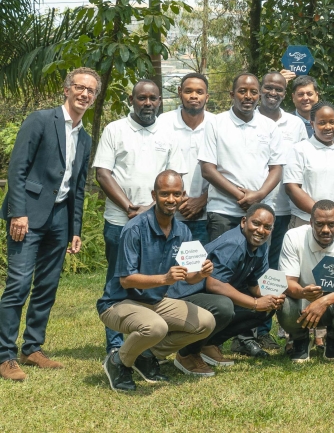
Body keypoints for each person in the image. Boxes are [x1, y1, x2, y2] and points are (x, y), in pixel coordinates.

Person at [0, 68, 98, 382]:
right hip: (27, 215)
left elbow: (79, 187)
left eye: (91, 91)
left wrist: (75, 229)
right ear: (66, 90)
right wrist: (18, 212)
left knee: (47, 287)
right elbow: (18, 168)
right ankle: (5, 355)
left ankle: (32, 348)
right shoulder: (40, 120)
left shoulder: (85, 137)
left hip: (59, 219)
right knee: (17, 286)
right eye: (80, 87)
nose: (85, 94)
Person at [97, 171, 216, 391]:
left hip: (155, 302)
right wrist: (164, 278)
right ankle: (118, 362)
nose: (171, 199)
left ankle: (146, 355)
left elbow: (188, 276)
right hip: (118, 303)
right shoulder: (134, 228)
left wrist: (200, 273)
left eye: (176, 194)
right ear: (154, 195)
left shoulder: (182, 231)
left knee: (206, 322)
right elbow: (126, 280)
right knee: (156, 327)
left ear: (183, 196)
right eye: (165, 194)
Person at [94, 80, 187, 354]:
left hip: (155, 223)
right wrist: (130, 208)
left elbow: (177, 177)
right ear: (132, 101)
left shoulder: (169, 133)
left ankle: (143, 337)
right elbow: (103, 173)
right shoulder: (115, 130)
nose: (148, 103)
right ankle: (114, 344)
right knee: (118, 280)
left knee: (151, 280)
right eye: (142, 98)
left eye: (153, 98)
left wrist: (149, 210)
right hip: (119, 220)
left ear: (160, 101)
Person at [168, 204, 285, 360]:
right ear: (244, 222)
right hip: (183, 296)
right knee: (224, 306)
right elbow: (214, 284)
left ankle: (207, 345)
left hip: (207, 297)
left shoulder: (261, 245)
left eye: (267, 227)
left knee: (267, 308)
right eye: (256, 223)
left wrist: (272, 296)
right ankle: (188, 353)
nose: (261, 230)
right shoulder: (235, 243)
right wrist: (255, 303)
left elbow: (255, 286)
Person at [256, 71, 308, 347]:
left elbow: (298, 164)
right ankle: (246, 326)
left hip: (284, 207)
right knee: (252, 267)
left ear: (285, 94)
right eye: (268, 88)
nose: (273, 93)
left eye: (279, 89)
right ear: (260, 90)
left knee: (274, 270)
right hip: (253, 207)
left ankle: (269, 327)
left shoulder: (295, 124)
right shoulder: (250, 119)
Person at [200, 73, 284, 241]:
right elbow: (208, 170)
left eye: (253, 92)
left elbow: (276, 168)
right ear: (232, 94)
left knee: (257, 266)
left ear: (259, 95)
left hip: (261, 212)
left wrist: (259, 196)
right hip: (224, 211)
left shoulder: (269, 126)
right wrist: (242, 197)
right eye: (242, 91)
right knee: (222, 264)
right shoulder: (216, 124)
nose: (248, 96)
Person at [278, 201, 334, 363]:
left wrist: (324, 301)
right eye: (319, 224)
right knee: (285, 305)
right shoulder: (294, 236)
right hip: (303, 301)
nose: (325, 230)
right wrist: (303, 292)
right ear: (311, 222)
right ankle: (300, 340)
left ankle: (333, 339)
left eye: (331, 224)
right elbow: (288, 281)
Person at [156, 73, 215, 244]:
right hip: (171, 213)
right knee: (170, 267)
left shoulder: (216, 124)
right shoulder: (164, 122)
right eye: (188, 91)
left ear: (207, 96)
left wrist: (201, 201)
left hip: (207, 213)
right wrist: (179, 199)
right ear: (179, 92)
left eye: (199, 92)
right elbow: (159, 166)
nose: (194, 96)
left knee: (200, 267)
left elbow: (224, 169)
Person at [284, 101, 334, 229]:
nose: (328, 127)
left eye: (332, 122)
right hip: (306, 221)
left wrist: (333, 213)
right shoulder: (299, 150)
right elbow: (292, 187)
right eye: (322, 123)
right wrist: (318, 213)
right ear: (312, 124)